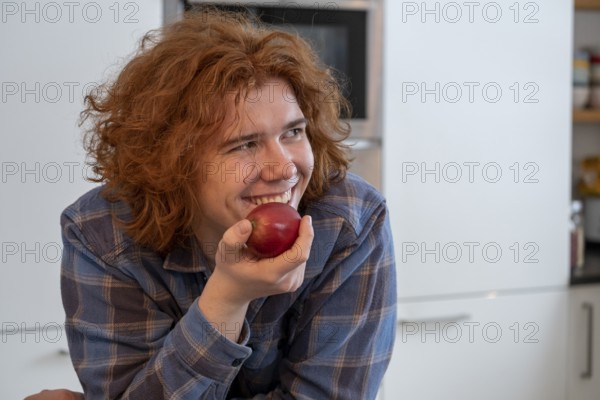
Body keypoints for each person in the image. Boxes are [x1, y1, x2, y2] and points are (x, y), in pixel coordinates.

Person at [51, 8, 396, 399]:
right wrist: (225, 300)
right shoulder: (101, 233)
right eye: (245, 144)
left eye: (294, 132)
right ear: (174, 161)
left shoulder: (351, 221)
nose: (284, 168)